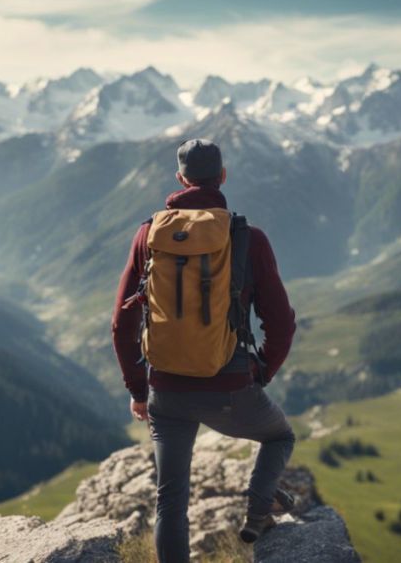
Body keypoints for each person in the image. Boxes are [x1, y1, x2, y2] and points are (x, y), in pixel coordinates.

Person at [111, 138, 298, 563]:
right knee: (280, 436)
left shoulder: (148, 234)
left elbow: (122, 322)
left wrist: (138, 390)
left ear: (179, 179)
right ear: (223, 177)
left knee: (170, 501)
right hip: (231, 388)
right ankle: (257, 506)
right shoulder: (248, 238)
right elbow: (281, 322)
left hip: (167, 392)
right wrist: (260, 371)